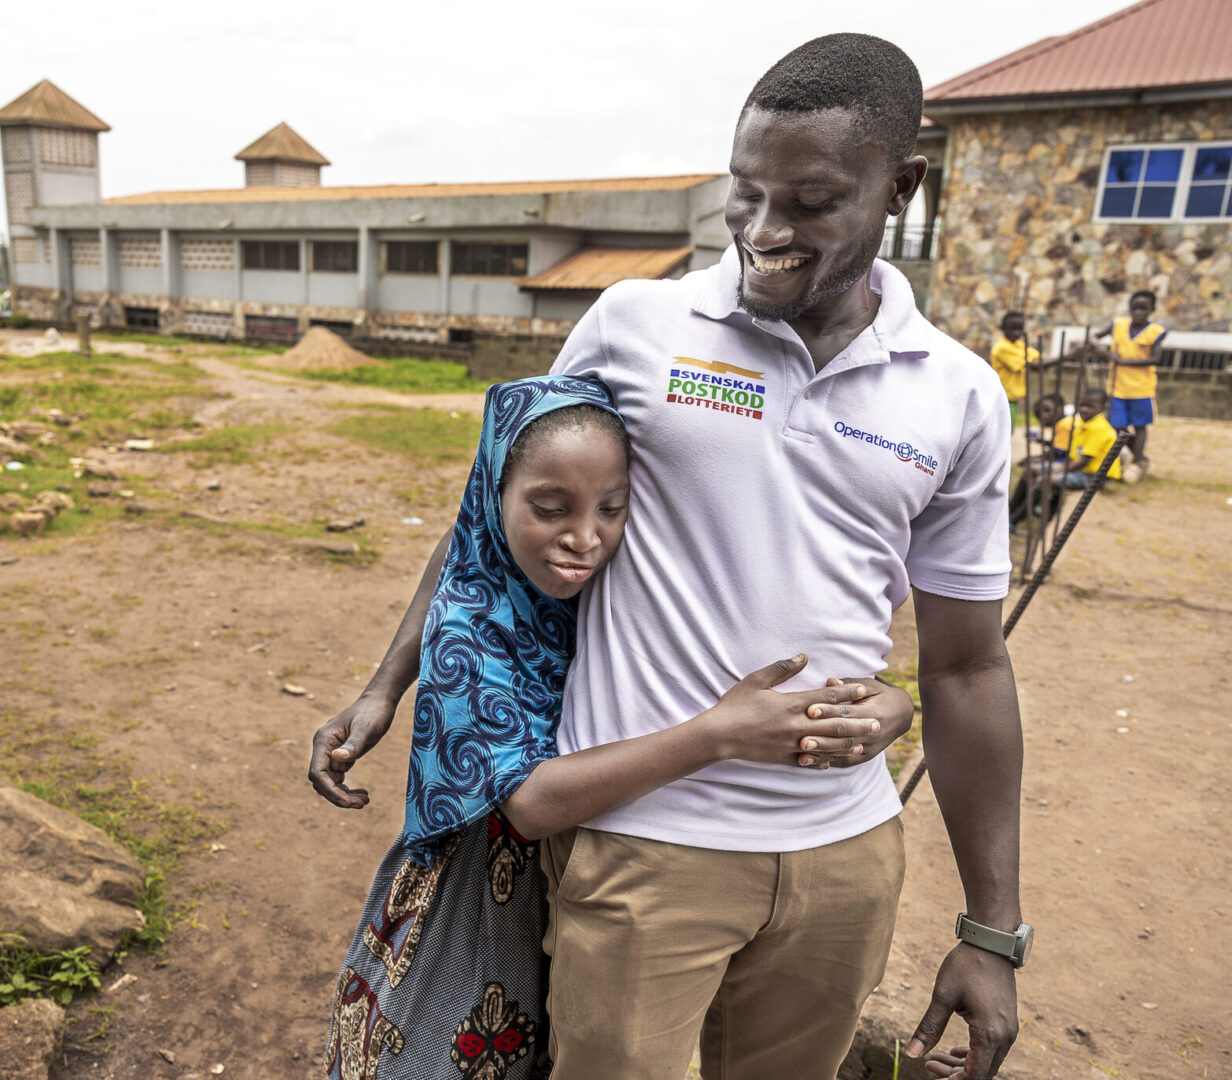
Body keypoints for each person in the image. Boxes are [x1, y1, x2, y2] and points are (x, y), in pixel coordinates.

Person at [314, 33, 1024, 1080]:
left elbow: (967, 665)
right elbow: (493, 523)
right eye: (746, 192)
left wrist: (992, 928)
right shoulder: (636, 326)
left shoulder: (958, 393)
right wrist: (388, 683)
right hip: (639, 842)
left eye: (810, 202)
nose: (765, 231)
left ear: (902, 188)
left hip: (843, 859)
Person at [320, 375, 913, 1079]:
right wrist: (718, 735)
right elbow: (530, 804)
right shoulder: (471, 631)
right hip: (489, 905)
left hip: (591, 874)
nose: (584, 537)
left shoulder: (598, 584)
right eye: (550, 509)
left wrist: (895, 704)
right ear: (492, 496)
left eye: (613, 508)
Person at [1008, 389, 1121, 528]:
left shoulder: (1099, 428)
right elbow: (1072, 456)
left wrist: (1058, 471)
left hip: (1092, 476)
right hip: (1079, 470)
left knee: (1045, 479)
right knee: (1031, 470)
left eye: (1090, 407)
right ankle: (1011, 508)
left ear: (1103, 407)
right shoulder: (1081, 424)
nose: (1084, 409)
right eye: (1082, 405)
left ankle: (1015, 520)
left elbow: (1083, 462)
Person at [1093, 289, 1165, 479]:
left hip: (1142, 389)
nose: (1138, 312)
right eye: (1135, 308)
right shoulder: (1118, 325)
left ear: (1151, 310)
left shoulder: (1155, 331)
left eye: (1143, 308)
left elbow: (1155, 358)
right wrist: (1103, 351)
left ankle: (1137, 461)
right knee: (1117, 426)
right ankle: (1129, 457)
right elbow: (1093, 337)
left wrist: (1124, 361)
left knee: (1140, 426)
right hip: (1117, 387)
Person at [989, 311, 1039, 428]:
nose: (1017, 333)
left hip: (1013, 397)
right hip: (1003, 396)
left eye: (1020, 329)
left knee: (1008, 429)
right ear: (1003, 329)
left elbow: (1035, 356)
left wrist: (1027, 360)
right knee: (1004, 429)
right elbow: (1026, 364)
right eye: (1013, 329)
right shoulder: (1001, 348)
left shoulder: (1018, 344)